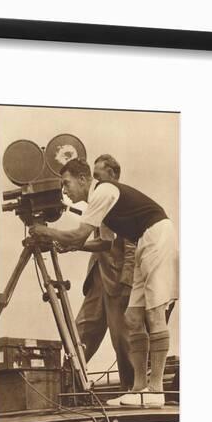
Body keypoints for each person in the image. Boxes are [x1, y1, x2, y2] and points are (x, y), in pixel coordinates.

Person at [30, 156, 178, 408]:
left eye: (67, 183)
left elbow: (78, 235)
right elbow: (104, 243)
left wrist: (45, 231)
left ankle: (155, 390)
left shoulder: (103, 192)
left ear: (84, 179)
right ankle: (139, 388)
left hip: (157, 237)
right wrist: (68, 246)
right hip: (145, 240)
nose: (64, 190)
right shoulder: (100, 203)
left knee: (154, 313)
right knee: (132, 318)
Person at [57, 157, 136, 391]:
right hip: (98, 278)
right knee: (82, 331)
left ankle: (131, 390)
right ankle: (67, 387)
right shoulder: (100, 200)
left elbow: (131, 244)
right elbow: (96, 240)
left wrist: (127, 281)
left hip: (118, 280)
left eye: (100, 175)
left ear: (113, 175)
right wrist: (72, 244)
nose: (96, 181)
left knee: (123, 340)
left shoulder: (118, 201)